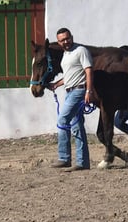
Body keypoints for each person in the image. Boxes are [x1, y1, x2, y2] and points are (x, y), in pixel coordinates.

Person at [48, 28, 97, 172]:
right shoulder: (66, 54)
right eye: (62, 40)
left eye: (67, 38)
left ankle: (64, 158)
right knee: (76, 126)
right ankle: (82, 162)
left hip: (79, 90)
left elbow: (88, 70)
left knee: (62, 121)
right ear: (58, 42)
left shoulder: (80, 50)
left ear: (71, 37)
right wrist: (57, 84)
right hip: (69, 91)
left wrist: (89, 90)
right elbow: (71, 75)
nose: (65, 42)